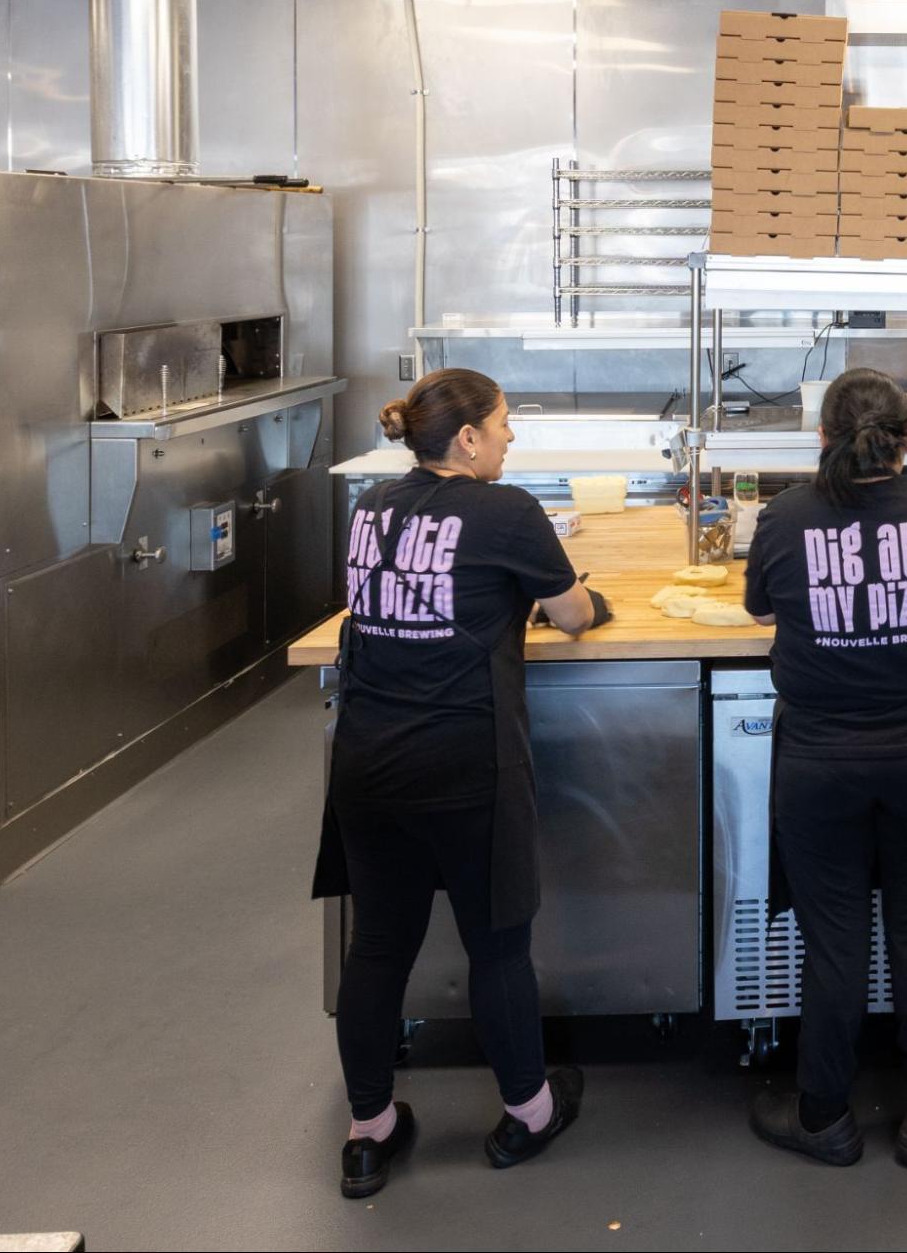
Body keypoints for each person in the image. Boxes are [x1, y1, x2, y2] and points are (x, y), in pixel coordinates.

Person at [313, 368, 613, 1199]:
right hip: (465, 764)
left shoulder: (371, 506)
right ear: (469, 438)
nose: (512, 438)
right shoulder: (505, 511)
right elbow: (575, 613)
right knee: (496, 946)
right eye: (505, 424)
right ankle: (527, 1112)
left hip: (368, 760)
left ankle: (368, 1132)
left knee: (377, 946)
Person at [740, 367, 907, 1170]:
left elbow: (758, 608)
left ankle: (822, 1116)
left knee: (834, 940)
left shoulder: (783, 516)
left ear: (819, 437)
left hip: (819, 760)